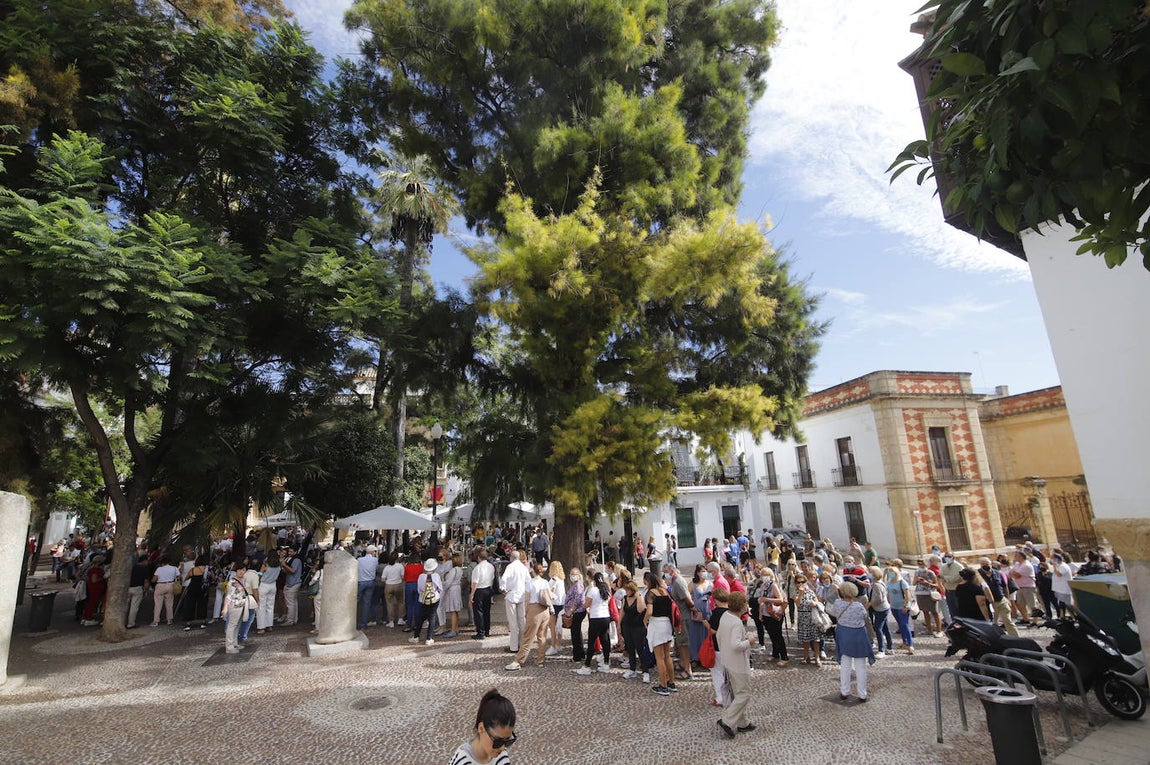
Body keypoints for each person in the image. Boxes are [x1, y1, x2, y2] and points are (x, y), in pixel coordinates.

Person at [716, 591, 755, 738]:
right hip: (737, 663)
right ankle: (727, 720)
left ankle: (742, 723)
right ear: (742, 606)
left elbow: (720, 636)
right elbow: (736, 645)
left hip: (728, 661)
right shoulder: (737, 622)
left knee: (738, 692)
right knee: (744, 693)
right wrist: (749, 641)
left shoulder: (725, 616)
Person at [828, 582, 875, 701]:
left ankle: (844, 691)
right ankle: (862, 694)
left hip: (844, 634)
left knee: (845, 664)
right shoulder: (858, 606)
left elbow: (834, 610)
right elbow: (865, 616)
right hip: (858, 635)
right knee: (860, 666)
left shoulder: (838, 603)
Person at [506, 562, 553, 670]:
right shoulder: (545, 582)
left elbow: (526, 600)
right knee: (542, 636)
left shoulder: (530, 584)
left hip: (534, 609)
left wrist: (526, 613)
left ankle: (519, 660)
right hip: (544, 609)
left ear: (533, 571)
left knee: (528, 636)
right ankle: (541, 659)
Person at [450, 688, 516, 765]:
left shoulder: (501, 757)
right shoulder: (463, 761)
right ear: (481, 728)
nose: (502, 748)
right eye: (498, 741)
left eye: (508, 741)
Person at [643, 571, 676, 696]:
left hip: (657, 624)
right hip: (667, 624)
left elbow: (649, 611)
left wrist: (645, 620)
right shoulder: (665, 591)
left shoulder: (650, 594)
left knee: (659, 657)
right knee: (667, 655)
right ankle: (671, 682)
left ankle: (663, 685)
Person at [576, 571, 613, 676]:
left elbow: (586, 604)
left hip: (595, 617)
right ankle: (606, 663)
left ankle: (587, 665)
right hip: (605, 616)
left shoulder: (593, 590)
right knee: (605, 640)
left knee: (591, 641)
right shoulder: (607, 590)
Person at [758, 568, 789, 665]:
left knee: (778, 635)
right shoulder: (763, 586)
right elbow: (761, 602)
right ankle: (775, 654)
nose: (764, 576)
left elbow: (780, 599)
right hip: (766, 613)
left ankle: (784, 657)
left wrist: (767, 599)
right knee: (772, 635)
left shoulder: (773, 585)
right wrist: (760, 614)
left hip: (774, 613)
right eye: (763, 574)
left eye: (766, 574)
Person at [501, 550, 529, 654]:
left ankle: (513, 646)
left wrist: (503, 589)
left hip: (511, 595)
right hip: (521, 596)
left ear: (511, 558)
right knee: (522, 621)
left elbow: (503, 579)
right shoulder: (523, 567)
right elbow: (528, 581)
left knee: (513, 622)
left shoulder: (510, 567)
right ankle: (522, 644)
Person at [222, 562, 253, 654]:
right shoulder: (232, 582)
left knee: (237, 625)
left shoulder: (244, 580)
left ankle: (234, 643)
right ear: (236, 571)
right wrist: (225, 608)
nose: (241, 572)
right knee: (232, 625)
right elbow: (228, 596)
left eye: (243, 570)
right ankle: (229, 646)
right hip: (234, 605)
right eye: (239, 570)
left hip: (242, 605)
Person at [411, 558, 444, 645]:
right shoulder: (436, 576)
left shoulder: (421, 576)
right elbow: (440, 587)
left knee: (420, 617)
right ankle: (429, 638)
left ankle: (416, 636)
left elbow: (420, 589)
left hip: (423, 598)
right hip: (434, 598)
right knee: (432, 617)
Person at [885, 560, 915, 654]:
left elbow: (908, 596)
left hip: (902, 607)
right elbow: (889, 593)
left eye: (892, 573)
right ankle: (904, 642)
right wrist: (888, 601)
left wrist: (906, 606)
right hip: (893, 606)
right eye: (889, 573)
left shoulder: (902, 582)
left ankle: (910, 645)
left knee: (905, 625)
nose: (890, 574)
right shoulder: (889, 582)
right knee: (900, 625)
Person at [794, 574, 822, 666]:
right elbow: (798, 604)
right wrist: (801, 594)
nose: (801, 584)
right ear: (796, 583)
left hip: (813, 617)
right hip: (803, 617)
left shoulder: (811, 592)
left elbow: (817, 602)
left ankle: (817, 657)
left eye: (803, 582)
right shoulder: (795, 593)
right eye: (799, 582)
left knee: (815, 639)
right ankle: (806, 656)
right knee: (805, 639)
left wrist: (814, 603)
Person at [867, 565, 893, 657]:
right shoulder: (877, 583)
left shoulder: (877, 585)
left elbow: (879, 599)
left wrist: (870, 604)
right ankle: (890, 647)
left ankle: (881, 649)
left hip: (881, 609)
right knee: (885, 628)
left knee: (878, 629)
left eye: (870, 572)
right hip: (882, 608)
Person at [913, 558, 943, 637]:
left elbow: (937, 585)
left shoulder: (931, 573)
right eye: (918, 563)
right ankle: (929, 629)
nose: (920, 564)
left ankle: (939, 630)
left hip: (930, 594)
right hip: (920, 593)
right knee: (925, 612)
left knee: (934, 612)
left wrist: (927, 583)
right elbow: (913, 583)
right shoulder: (917, 572)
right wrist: (917, 580)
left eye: (921, 562)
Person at [562, 567, 586, 663]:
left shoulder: (578, 585)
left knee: (575, 634)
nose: (572, 576)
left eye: (574, 574)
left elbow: (578, 599)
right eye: (571, 574)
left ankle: (577, 656)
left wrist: (570, 611)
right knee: (576, 632)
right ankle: (581, 653)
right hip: (575, 611)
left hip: (577, 611)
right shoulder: (575, 585)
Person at [471, 549, 496, 640]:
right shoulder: (491, 566)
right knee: (486, 611)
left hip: (479, 590)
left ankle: (480, 632)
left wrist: (471, 594)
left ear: (478, 557)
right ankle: (486, 630)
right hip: (488, 589)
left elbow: (475, 583)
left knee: (478, 612)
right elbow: (492, 579)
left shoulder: (477, 568)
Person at [256, 552, 281, 635]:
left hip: (264, 585)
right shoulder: (278, 565)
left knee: (261, 607)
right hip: (273, 585)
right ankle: (269, 625)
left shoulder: (266, 565)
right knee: (270, 606)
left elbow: (259, 574)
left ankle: (261, 627)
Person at [150, 556, 180, 627]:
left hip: (160, 586)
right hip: (170, 585)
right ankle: (169, 620)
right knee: (169, 604)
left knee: (157, 604)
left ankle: (156, 621)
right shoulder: (174, 568)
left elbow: (154, 579)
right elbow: (178, 577)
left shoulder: (159, 569)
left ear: (162, 563)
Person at [441, 553, 464, 638]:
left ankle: (453, 630)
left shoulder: (453, 570)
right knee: (456, 610)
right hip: (457, 588)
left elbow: (448, 582)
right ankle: (456, 628)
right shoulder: (460, 569)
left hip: (452, 590)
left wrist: (443, 584)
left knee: (452, 611)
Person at [79, 554, 107, 626]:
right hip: (95, 587)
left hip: (92, 586)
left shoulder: (91, 568)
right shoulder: (96, 570)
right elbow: (94, 580)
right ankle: (88, 618)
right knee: (92, 603)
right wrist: (102, 578)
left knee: (90, 603)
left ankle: (85, 617)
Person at [544, 560, 565, 655]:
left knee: (552, 627)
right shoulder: (561, 579)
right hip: (562, 604)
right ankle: (558, 644)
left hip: (554, 604)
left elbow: (548, 590)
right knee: (559, 626)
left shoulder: (553, 579)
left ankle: (553, 646)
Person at [381, 552, 406, 628]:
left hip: (389, 585)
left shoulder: (387, 567)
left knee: (389, 603)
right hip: (398, 584)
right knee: (401, 602)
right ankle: (400, 619)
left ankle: (391, 621)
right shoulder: (400, 566)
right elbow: (403, 577)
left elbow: (382, 579)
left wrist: (389, 581)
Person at [280, 546, 302, 626]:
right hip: (292, 582)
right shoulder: (293, 559)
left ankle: (290, 620)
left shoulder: (296, 560)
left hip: (293, 583)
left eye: (291, 552)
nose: (289, 553)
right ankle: (294, 619)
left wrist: (284, 565)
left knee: (290, 603)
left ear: (295, 552)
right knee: (293, 602)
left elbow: (292, 570)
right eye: (289, 551)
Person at [1050, 552, 1075, 617]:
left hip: (1064, 590)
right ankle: (1063, 617)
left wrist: (1054, 566)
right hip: (1059, 590)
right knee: (1062, 605)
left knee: (1066, 606)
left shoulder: (1064, 566)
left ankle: (1073, 617)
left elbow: (1059, 574)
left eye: (1052, 559)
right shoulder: (1059, 566)